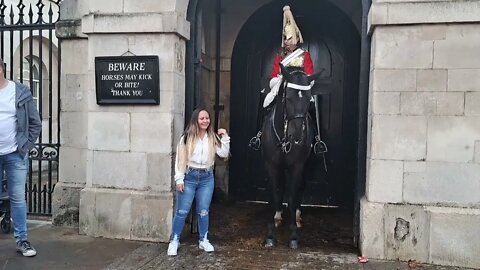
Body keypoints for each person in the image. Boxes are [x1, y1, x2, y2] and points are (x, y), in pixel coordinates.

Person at [167, 107, 230, 256]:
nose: (205, 121)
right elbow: (180, 160)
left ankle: (203, 239)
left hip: (206, 178)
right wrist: (179, 179)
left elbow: (223, 153)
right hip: (189, 176)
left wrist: (225, 137)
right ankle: (174, 240)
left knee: (203, 211)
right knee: (182, 211)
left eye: (207, 118)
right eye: (202, 118)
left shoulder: (212, 138)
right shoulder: (187, 138)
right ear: (196, 120)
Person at [249, 5, 314, 149]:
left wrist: (304, 81)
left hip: (300, 87)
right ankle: (258, 135)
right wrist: (279, 79)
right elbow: (274, 74)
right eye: (285, 38)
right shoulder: (280, 56)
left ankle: (316, 140)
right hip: (282, 85)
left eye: (289, 38)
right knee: (265, 102)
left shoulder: (304, 55)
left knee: (313, 105)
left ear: (296, 39)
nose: (286, 41)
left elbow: (310, 73)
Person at [0, 57, 41, 257]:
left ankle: (22, 240)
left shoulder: (20, 91)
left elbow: (35, 122)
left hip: (15, 153)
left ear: (2, 69)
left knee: (17, 199)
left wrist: (25, 145)